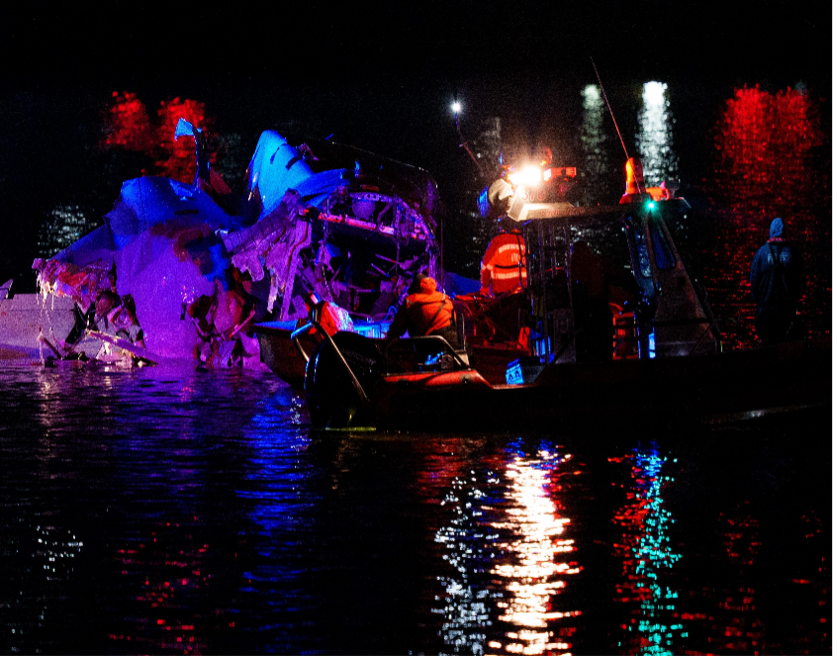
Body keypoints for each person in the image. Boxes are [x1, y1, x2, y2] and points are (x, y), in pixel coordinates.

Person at [749, 217, 806, 345]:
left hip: (766, 314)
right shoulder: (794, 254)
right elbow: (801, 283)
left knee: (767, 350)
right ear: (785, 232)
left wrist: (760, 302)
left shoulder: (760, 254)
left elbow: (754, 285)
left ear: (771, 232)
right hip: (787, 314)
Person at [386, 273, 456, 345]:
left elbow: (397, 329)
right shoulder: (444, 299)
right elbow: (454, 321)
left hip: (433, 347)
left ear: (414, 287)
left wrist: (388, 339)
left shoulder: (410, 302)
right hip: (455, 344)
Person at [480, 217, 527, 297]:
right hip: (521, 290)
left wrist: (485, 286)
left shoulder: (497, 241)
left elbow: (486, 266)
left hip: (503, 293)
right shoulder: (523, 241)